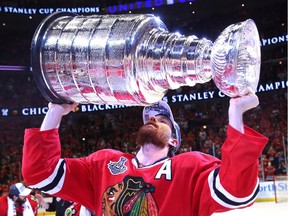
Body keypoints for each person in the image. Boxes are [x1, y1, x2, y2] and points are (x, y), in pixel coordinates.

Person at [22, 88, 268, 215]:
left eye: (162, 119)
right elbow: (40, 173)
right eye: (148, 118)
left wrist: (235, 111)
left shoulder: (190, 167)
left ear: (174, 141)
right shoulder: (104, 163)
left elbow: (237, 191)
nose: (152, 120)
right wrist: (56, 110)